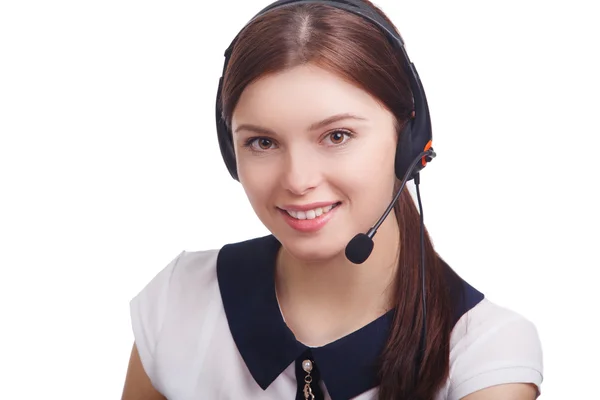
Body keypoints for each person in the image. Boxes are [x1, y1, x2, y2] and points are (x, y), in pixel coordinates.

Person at [121, 1, 543, 399]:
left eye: (336, 136)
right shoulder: (177, 300)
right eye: (262, 142)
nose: (298, 180)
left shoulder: (485, 351)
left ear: (408, 140)